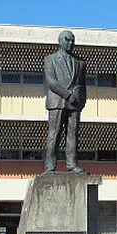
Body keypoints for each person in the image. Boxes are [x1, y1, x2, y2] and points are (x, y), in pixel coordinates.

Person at [44, 30, 87, 173]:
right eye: (67, 40)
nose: (70, 43)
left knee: (73, 134)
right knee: (54, 134)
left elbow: (82, 84)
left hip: (75, 104)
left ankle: (72, 164)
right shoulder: (50, 59)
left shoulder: (80, 62)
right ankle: (50, 166)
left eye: (72, 41)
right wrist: (68, 95)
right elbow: (51, 82)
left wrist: (81, 101)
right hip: (57, 101)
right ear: (60, 41)